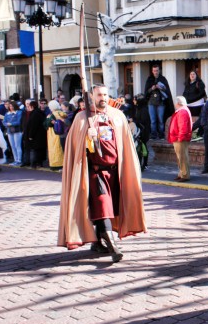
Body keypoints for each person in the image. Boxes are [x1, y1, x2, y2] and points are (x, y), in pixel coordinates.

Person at [58, 84, 146, 262]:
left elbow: (126, 144)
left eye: (105, 94)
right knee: (102, 206)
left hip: (116, 173)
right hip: (96, 173)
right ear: (92, 96)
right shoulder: (82, 119)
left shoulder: (117, 116)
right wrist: (86, 137)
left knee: (109, 209)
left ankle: (98, 241)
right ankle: (113, 247)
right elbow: (74, 148)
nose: (103, 98)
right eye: (99, 95)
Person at [144, 64, 173, 139]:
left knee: (160, 120)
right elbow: (146, 92)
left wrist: (162, 88)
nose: (156, 72)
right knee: (153, 121)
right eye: (154, 71)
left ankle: (161, 135)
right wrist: (152, 88)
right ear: (152, 71)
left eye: (157, 70)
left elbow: (167, 91)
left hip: (161, 103)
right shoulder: (149, 79)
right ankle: (153, 135)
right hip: (151, 103)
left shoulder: (163, 79)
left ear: (159, 70)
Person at [168, 96, 193, 182]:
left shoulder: (182, 111)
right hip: (179, 137)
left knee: (182, 157)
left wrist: (180, 137)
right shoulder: (183, 110)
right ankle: (182, 173)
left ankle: (185, 175)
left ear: (178, 103)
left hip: (180, 138)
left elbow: (183, 127)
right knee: (180, 157)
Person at [23, 100, 47, 168]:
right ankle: (39, 163)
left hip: (35, 136)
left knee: (34, 150)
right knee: (40, 150)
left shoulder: (34, 114)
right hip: (41, 135)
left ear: (32, 106)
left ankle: (33, 163)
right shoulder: (40, 113)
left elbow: (33, 126)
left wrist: (30, 135)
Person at [133, 94, 151, 171]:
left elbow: (143, 121)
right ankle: (140, 164)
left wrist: (134, 120)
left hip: (144, 131)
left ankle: (144, 164)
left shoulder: (143, 109)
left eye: (135, 99)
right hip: (140, 130)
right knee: (139, 148)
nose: (134, 101)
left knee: (142, 148)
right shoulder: (138, 108)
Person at [3, 100, 23, 166]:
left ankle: (19, 160)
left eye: (12, 106)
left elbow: (19, 122)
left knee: (18, 146)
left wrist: (10, 124)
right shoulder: (7, 113)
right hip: (9, 131)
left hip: (17, 130)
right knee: (12, 146)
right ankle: (15, 160)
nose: (11, 107)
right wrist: (6, 124)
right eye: (10, 106)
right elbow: (4, 121)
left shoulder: (19, 112)